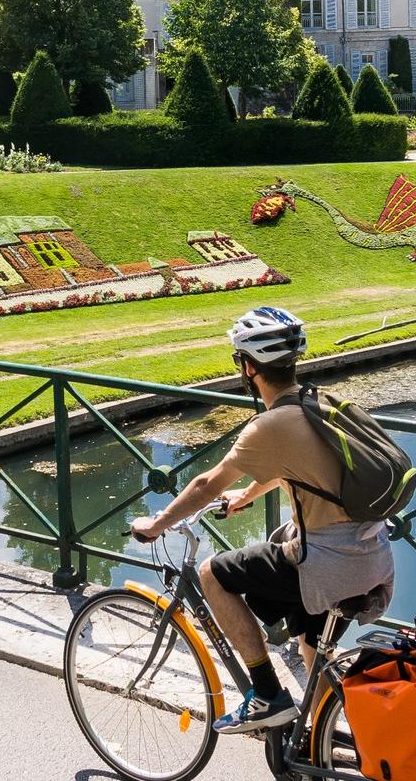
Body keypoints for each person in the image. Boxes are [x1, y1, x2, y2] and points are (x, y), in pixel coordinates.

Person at [129, 307, 394, 735]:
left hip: (325, 565)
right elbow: (298, 467)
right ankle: (329, 742)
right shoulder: (318, 403)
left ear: (248, 367)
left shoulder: (271, 424)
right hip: (372, 557)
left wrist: (157, 524)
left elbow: (206, 484)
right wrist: (249, 494)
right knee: (312, 647)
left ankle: (267, 695)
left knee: (212, 573)